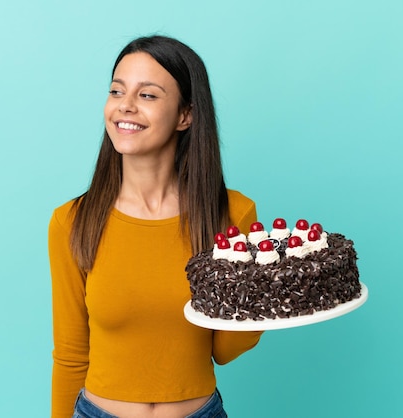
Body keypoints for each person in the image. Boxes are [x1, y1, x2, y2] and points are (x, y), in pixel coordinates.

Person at [48, 35, 263, 418]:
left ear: (186, 115)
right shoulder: (72, 222)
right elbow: (70, 354)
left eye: (147, 95)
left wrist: (260, 299)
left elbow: (224, 351)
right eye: (117, 91)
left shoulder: (233, 216)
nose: (125, 107)